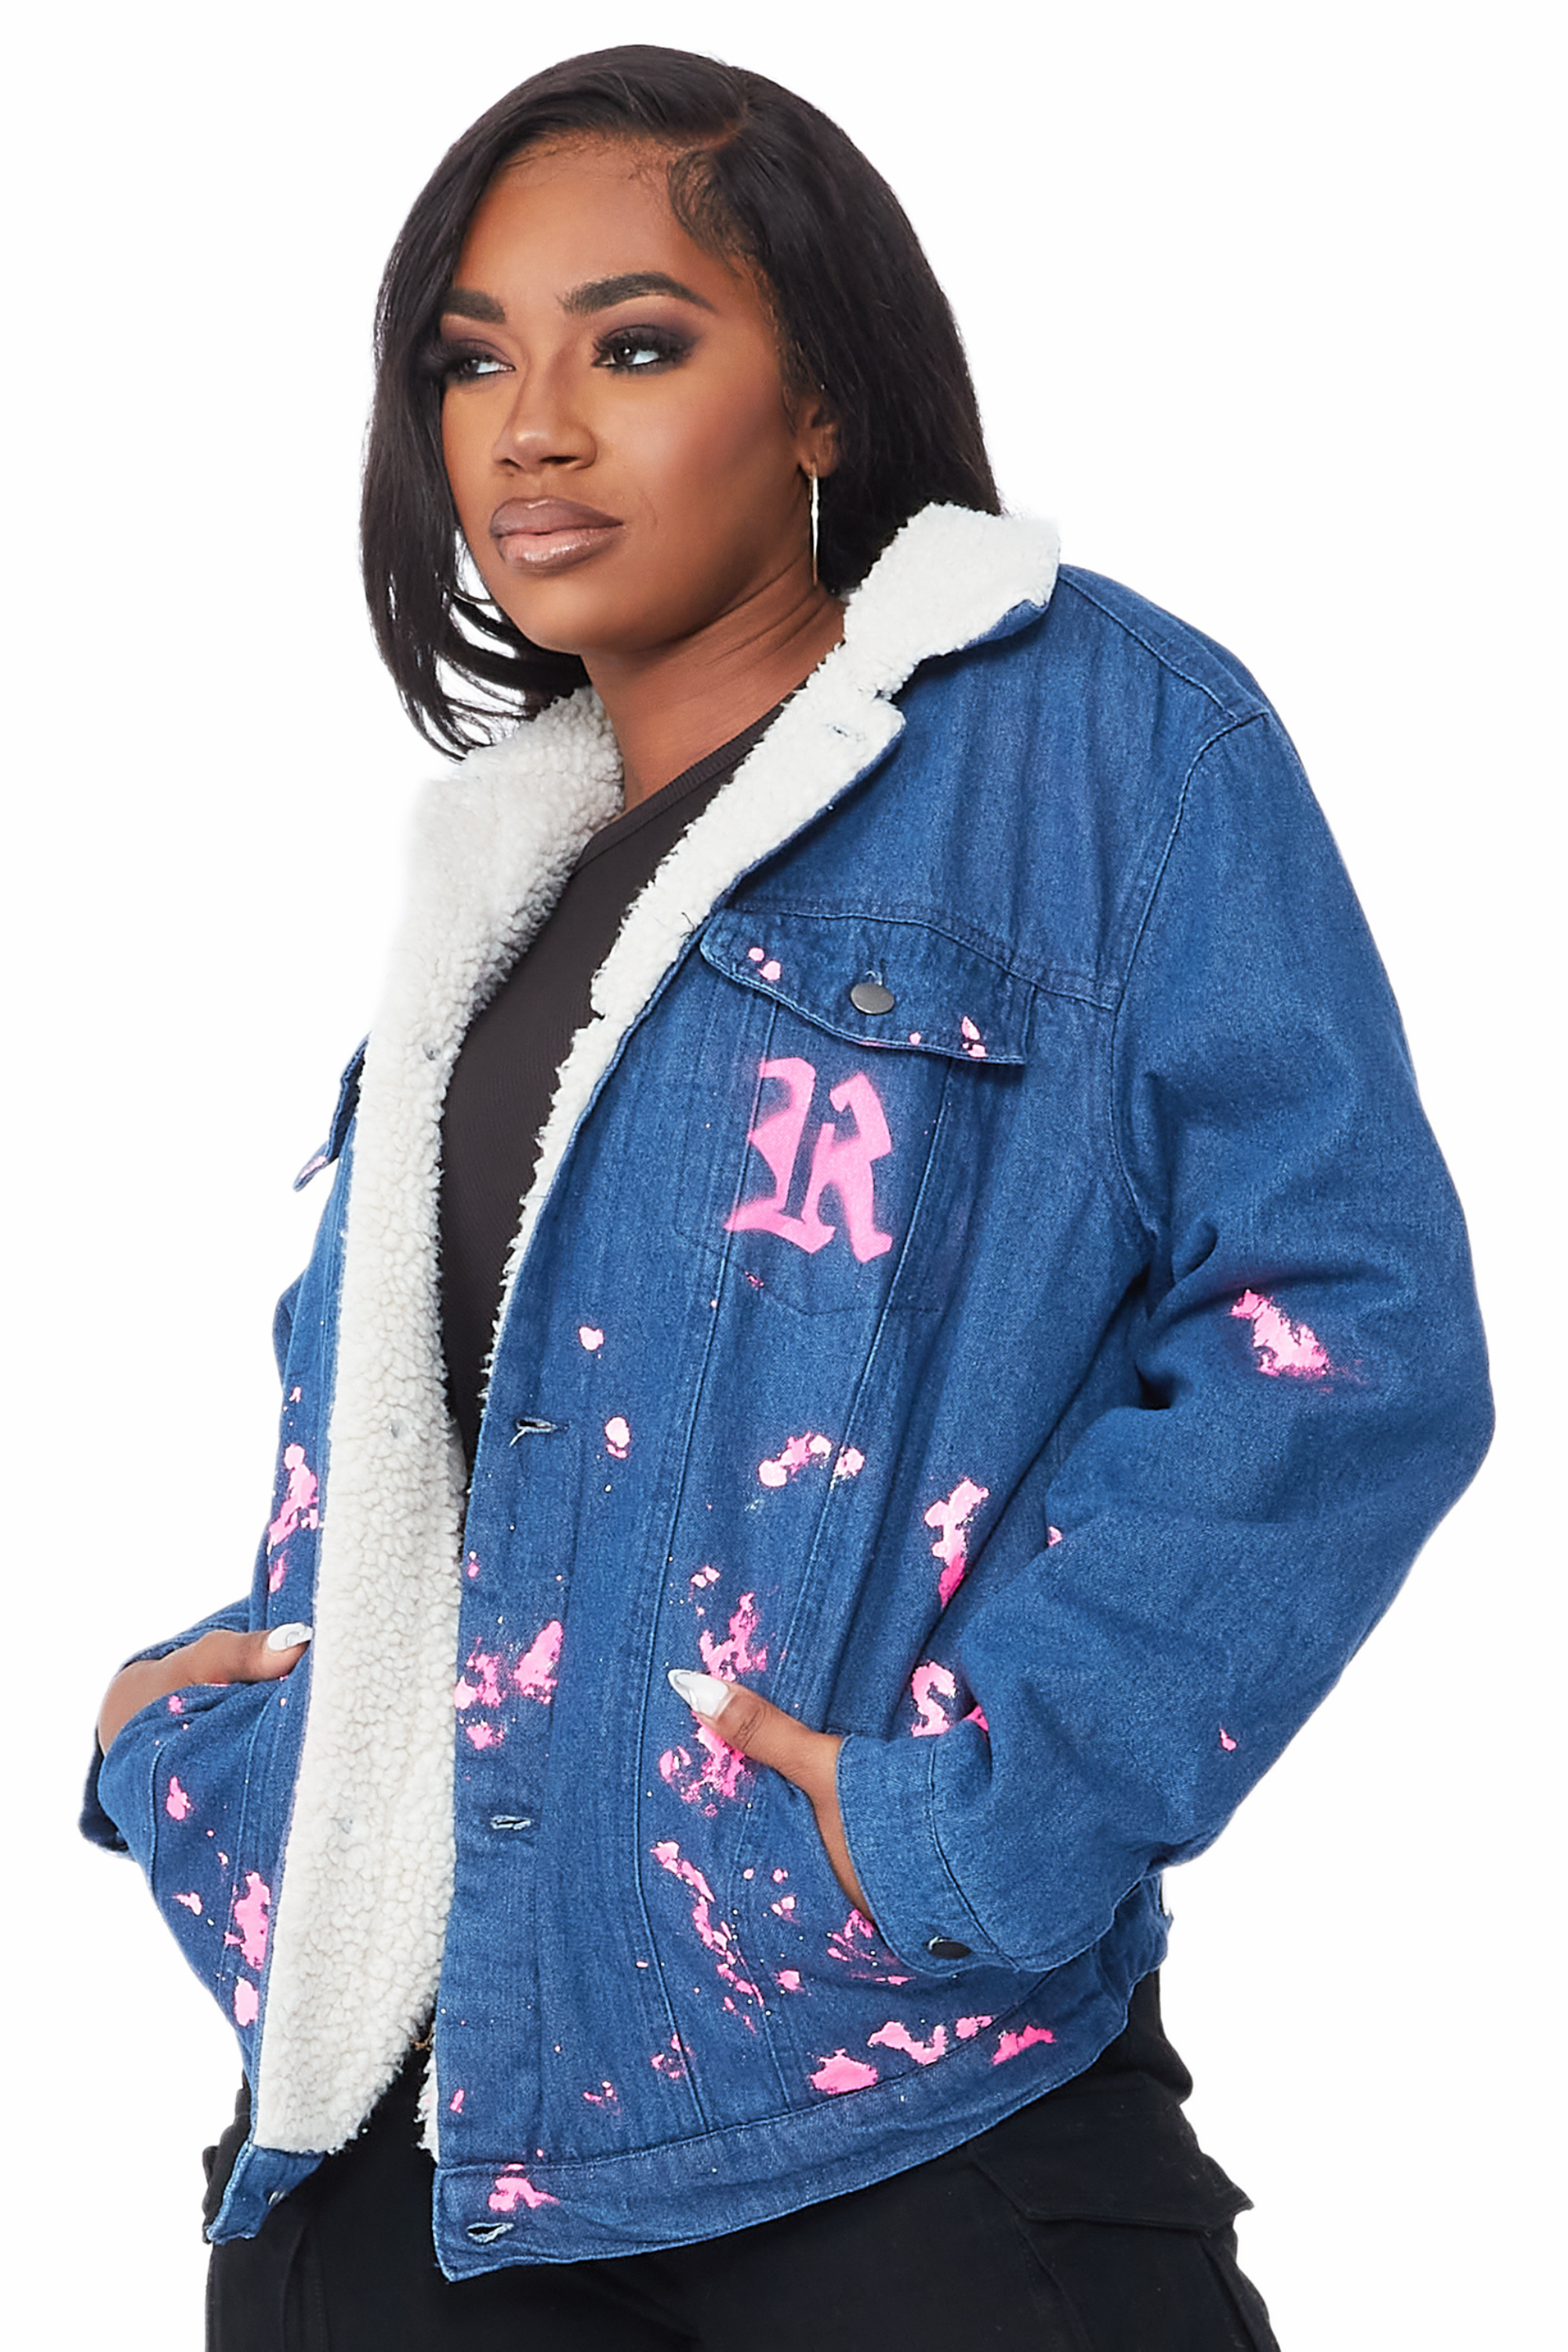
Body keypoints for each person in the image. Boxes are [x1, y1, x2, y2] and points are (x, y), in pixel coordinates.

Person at [85, 44, 1492, 2352]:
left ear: (822, 394)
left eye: (634, 346)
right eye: (472, 363)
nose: (532, 430)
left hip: (882, 2119)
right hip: (393, 2162)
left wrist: (973, 1813)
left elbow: (1346, 1330)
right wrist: (194, 1754)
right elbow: (440, 1451)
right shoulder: (503, 880)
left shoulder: (1096, 745)